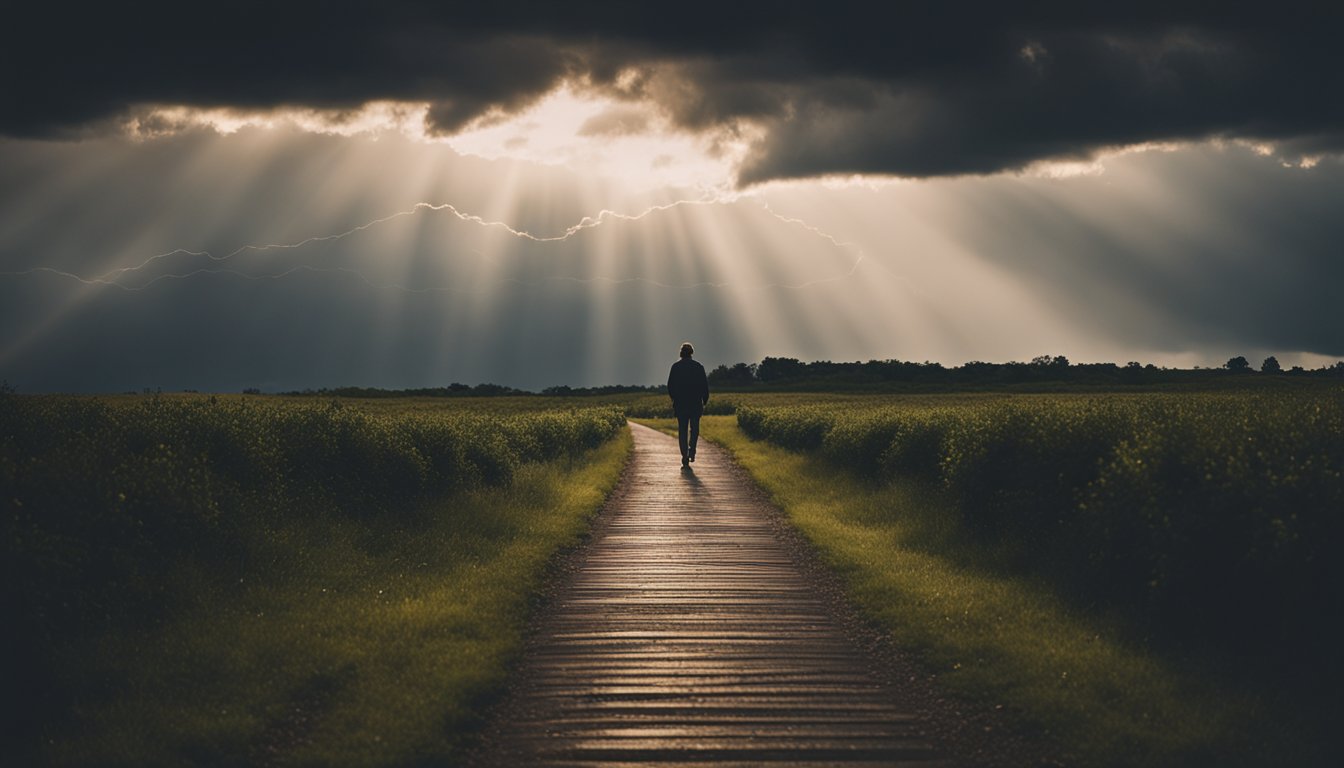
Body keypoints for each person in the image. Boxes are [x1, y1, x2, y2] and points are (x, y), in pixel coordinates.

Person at [667, 341, 710, 467]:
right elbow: (704, 385)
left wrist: (674, 399)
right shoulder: (698, 367)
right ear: (692, 353)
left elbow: (670, 386)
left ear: (681, 353)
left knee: (683, 430)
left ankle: (684, 455)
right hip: (695, 403)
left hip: (681, 404)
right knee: (695, 429)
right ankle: (692, 450)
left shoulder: (675, 367)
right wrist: (705, 400)